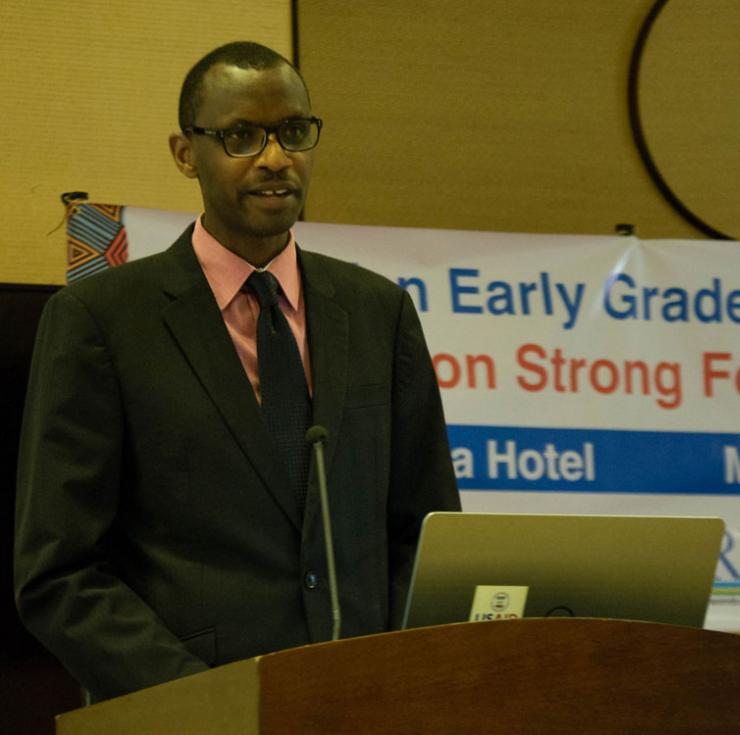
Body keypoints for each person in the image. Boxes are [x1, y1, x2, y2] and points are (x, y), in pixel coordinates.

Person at [14, 41, 459, 702]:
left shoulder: (378, 313)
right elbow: (60, 572)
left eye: (293, 132)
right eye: (242, 136)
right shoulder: (100, 320)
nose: (276, 158)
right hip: (183, 713)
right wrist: (207, 701)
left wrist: (390, 677)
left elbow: (425, 538)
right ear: (184, 152)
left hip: (359, 705)